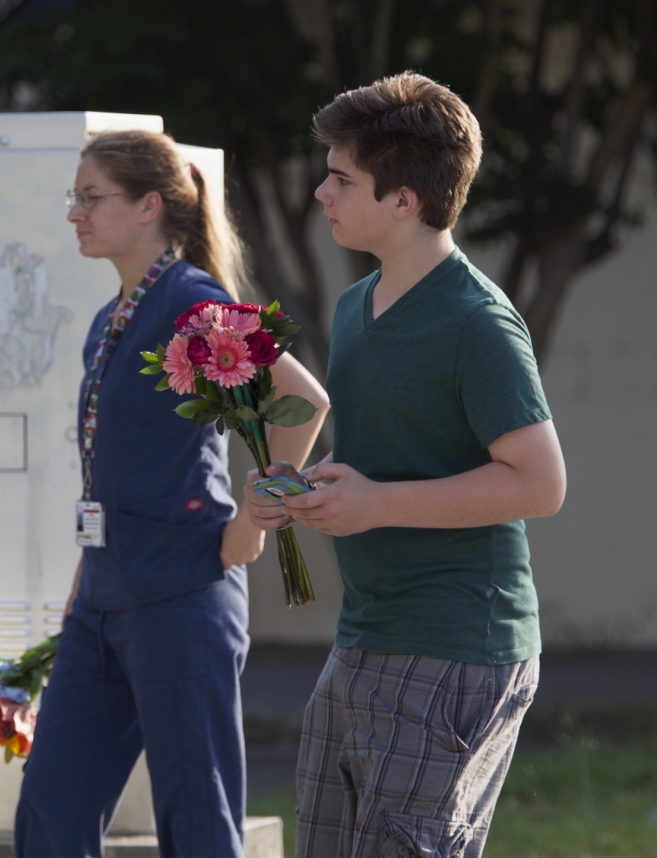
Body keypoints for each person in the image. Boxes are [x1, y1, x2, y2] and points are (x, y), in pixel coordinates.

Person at [244, 73, 567, 858]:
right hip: (366, 635)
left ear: (404, 201)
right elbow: (380, 461)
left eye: (341, 178)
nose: (320, 192)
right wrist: (294, 488)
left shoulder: (478, 323)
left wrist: (378, 504)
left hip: (458, 642)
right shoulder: (358, 306)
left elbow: (540, 483)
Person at [15, 129, 330, 858]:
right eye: (75, 198)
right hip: (101, 602)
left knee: (196, 823)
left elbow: (307, 401)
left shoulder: (193, 302)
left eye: (91, 197)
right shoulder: (106, 322)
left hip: (183, 597)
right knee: (50, 809)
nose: (75, 213)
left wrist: (257, 519)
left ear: (150, 204)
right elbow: (113, 471)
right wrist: (78, 591)